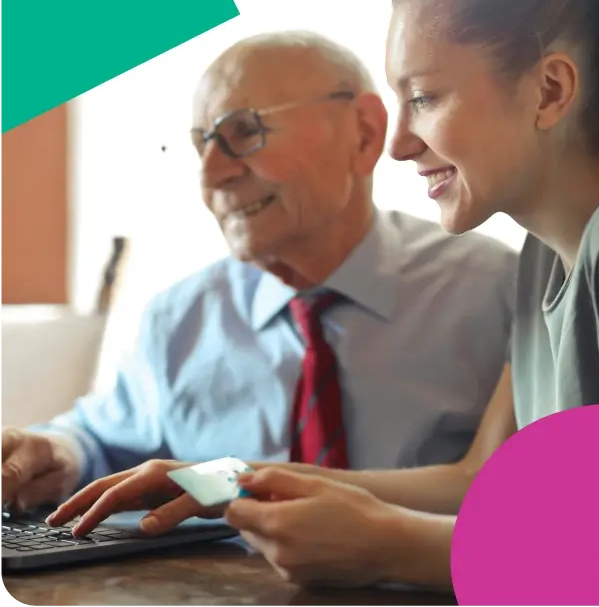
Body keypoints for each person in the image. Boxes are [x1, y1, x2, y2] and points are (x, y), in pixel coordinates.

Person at [42, 0, 599, 601]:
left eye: (423, 97)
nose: (399, 145)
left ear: (549, 91)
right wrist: (227, 479)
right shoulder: (542, 259)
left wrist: (386, 544)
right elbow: (478, 479)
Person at [0, 31, 518, 517]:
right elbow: (102, 439)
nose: (211, 175)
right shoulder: (179, 319)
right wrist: (57, 451)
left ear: (362, 135)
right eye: (202, 144)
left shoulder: (497, 292)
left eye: (243, 132)